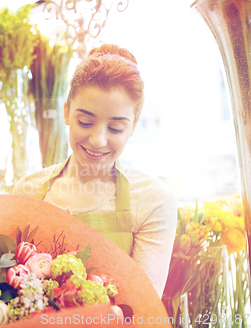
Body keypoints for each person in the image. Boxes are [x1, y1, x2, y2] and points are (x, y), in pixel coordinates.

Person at [12, 44, 177, 298]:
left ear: (133, 125)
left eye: (116, 128)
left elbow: (143, 309)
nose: (98, 140)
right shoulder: (28, 190)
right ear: (66, 111)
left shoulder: (152, 200)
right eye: (85, 122)